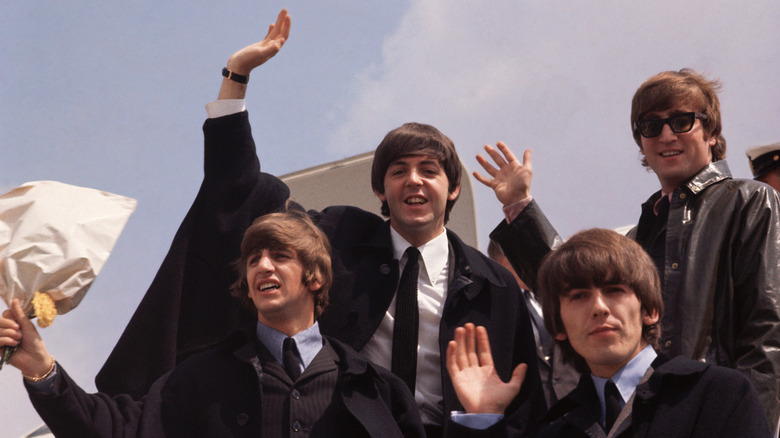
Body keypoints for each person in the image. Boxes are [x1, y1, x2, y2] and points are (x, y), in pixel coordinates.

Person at [94, 9, 544, 437]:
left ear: (454, 189)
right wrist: (236, 78)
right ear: (378, 190)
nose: (414, 181)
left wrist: (520, 211)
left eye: (429, 170)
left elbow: (530, 392)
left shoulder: (493, 288)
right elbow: (241, 190)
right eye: (398, 171)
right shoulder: (336, 240)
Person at [477, 69, 780, 426]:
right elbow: (569, 282)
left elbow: (768, 331)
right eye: (651, 126)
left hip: (714, 415)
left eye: (682, 121)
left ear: (711, 131)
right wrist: (518, 205)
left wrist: (744, 422)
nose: (666, 135)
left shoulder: (750, 200)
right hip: (646, 415)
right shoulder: (644, 229)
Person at [0, 210, 425, 437]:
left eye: (279, 255)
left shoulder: (377, 389)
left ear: (314, 277)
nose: (262, 266)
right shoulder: (202, 379)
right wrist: (42, 372)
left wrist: (479, 417)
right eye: (254, 258)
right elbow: (114, 428)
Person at [446, 229, 771, 437]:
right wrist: (482, 419)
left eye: (615, 290)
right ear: (557, 326)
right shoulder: (555, 429)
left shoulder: (717, 395)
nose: (599, 307)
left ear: (650, 310)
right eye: (578, 296)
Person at [487, 239, 579, 407]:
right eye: (519, 261)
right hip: (527, 411)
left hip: (574, 403)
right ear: (500, 264)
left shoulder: (557, 298)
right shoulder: (494, 308)